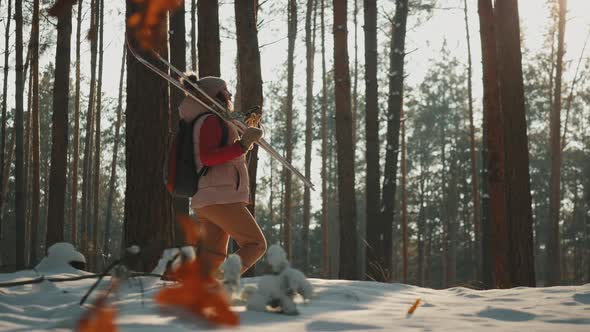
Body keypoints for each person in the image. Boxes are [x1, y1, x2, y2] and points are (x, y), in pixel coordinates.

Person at [178, 73, 267, 276]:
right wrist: (243, 144)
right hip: (220, 197)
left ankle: (204, 295)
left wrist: (245, 139)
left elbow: (226, 154)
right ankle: (221, 284)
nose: (230, 95)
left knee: (213, 258)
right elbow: (208, 157)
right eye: (226, 92)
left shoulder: (212, 120)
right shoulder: (210, 120)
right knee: (256, 244)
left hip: (210, 199)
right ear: (215, 95)